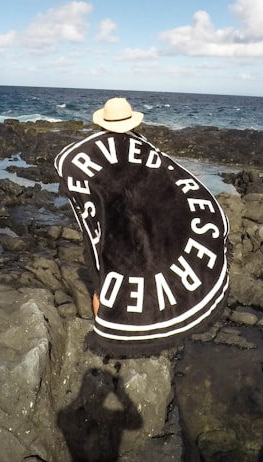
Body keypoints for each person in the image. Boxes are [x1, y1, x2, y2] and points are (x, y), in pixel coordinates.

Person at [54, 96, 230, 356]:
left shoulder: (92, 153)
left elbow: (88, 185)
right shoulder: (145, 148)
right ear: (132, 122)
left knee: (103, 277)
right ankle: (138, 332)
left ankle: (109, 332)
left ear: (102, 123)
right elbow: (166, 183)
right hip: (144, 225)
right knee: (136, 277)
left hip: (114, 227)